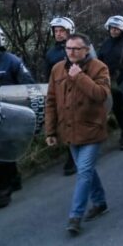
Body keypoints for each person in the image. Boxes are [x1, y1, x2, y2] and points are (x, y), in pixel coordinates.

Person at [45, 33, 111, 235]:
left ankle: (75, 216)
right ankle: (100, 202)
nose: (71, 52)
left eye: (76, 48)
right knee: (87, 170)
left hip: (91, 129)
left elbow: (101, 95)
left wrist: (79, 77)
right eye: (68, 48)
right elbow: (51, 101)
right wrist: (50, 130)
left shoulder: (98, 67)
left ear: (86, 50)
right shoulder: (57, 69)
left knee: (83, 172)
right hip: (69, 130)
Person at [0, 26, 35, 208]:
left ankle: (3, 190)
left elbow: (28, 84)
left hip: (10, 112)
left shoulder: (12, 61)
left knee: (3, 148)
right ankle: (14, 178)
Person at [97, 15, 123, 150]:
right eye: (112, 28)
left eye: (117, 29)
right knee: (117, 109)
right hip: (110, 81)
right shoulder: (105, 44)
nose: (114, 31)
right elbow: (99, 61)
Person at [45, 17, 78, 175]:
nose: (58, 34)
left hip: (79, 90)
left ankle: (77, 156)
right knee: (65, 124)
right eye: (56, 31)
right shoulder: (51, 53)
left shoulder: (78, 47)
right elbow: (48, 77)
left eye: (61, 31)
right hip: (60, 94)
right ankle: (71, 155)